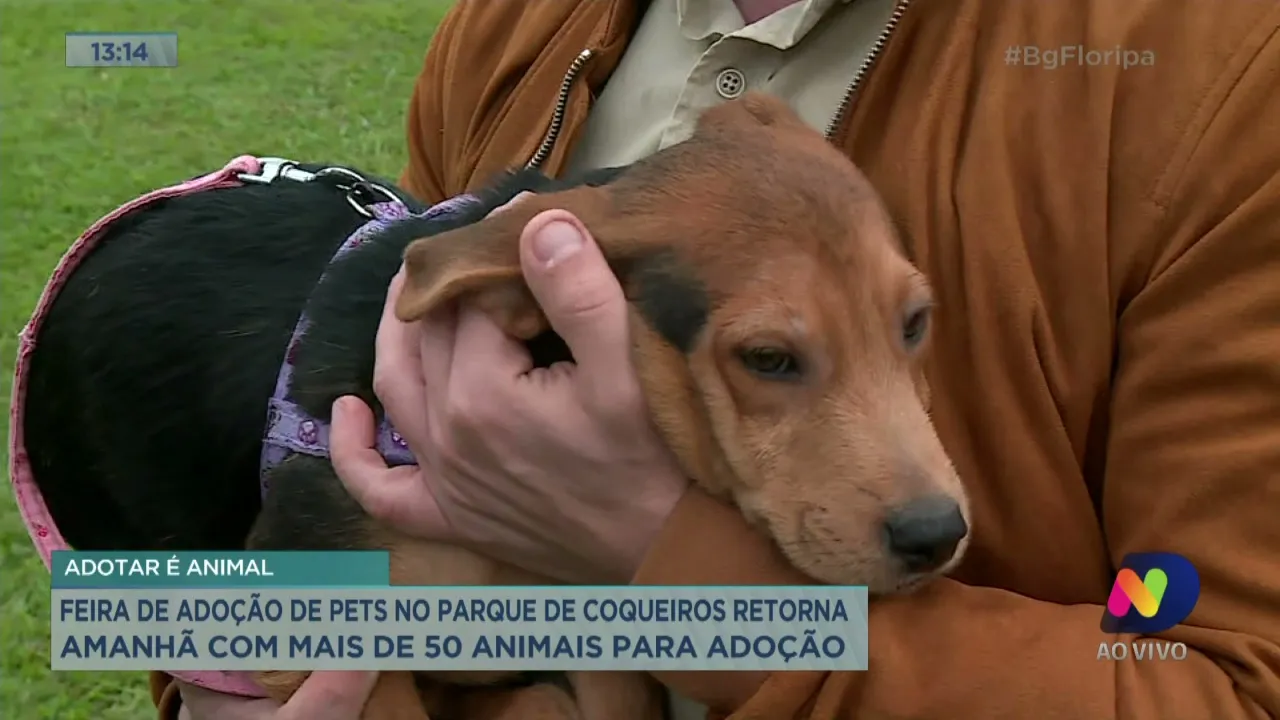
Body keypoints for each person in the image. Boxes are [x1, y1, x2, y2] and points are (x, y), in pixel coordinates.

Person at [159, 0, 1280, 717]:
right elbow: (337, 484)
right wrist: (225, 671)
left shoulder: (1218, 78)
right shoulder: (517, 27)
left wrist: (673, 566)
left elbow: (1231, 687)